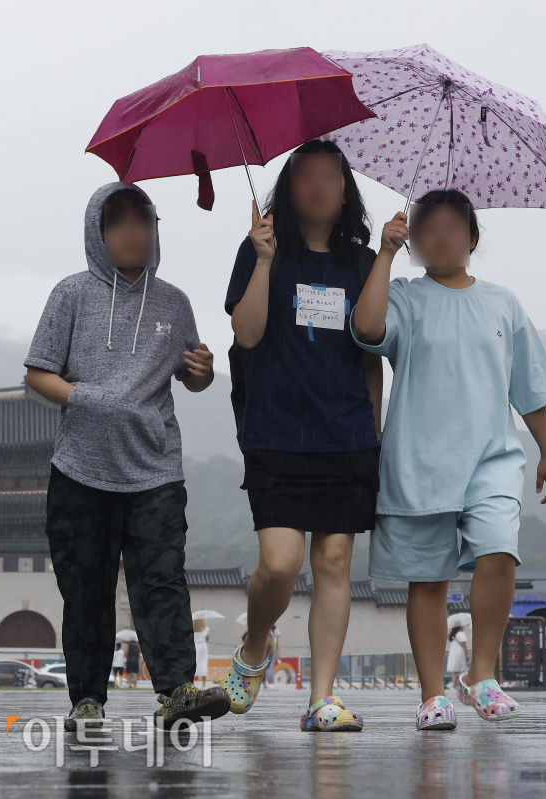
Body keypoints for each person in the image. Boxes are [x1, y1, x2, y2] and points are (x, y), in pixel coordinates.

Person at [352, 189, 546, 729]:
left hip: (491, 456)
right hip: (418, 458)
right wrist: (384, 254)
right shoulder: (403, 295)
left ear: (472, 239)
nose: (442, 235)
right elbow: (368, 330)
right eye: (428, 226)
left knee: (499, 552)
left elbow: (529, 385)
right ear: (415, 239)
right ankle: (432, 695)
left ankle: (480, 676)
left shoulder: (502, 302)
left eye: (454, 226)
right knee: (428, 579)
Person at [25, 182, 231, 732]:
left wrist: (204, 372)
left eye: (142, 219)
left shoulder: (175, 302)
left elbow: (193, 379)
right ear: (97, 231)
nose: (131, 231)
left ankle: (177, 691)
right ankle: (87, 700)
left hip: (155, 469)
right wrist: (86, 397)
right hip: (81, 470)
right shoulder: (69, 295)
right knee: (86, 588)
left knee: (162, 581)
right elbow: (37, 373)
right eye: (116, 221)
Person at [219, 139, 382, 732]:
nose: (318, 186)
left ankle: (321, 698)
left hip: (346, 433)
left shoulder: (362, 264)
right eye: (305, 175)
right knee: (281, 563)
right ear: (288, 187)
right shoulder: (263, 249)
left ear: (346, 190)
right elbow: (247, 334)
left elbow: (371, 355)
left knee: (335, 560)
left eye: (330, 176)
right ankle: (255, 645)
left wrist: (376, 432)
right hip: (276, 430)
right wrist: (263, 261)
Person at [446, 626, 469, 692]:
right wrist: (466, 654)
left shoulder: (453, 634)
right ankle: (462, 684)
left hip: (453, 653)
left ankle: (454, 684)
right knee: (462, 669)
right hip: (460, 653)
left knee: (455, 670)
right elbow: (464, 645)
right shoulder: (461, 634)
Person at [192, 619, 209, 686]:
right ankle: (204, 684)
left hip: (195, 645)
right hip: (203, 645)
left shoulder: (192, 629)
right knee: (204, 663)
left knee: (194, 662)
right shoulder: (205, 629)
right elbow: (208, 638)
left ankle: (192, 681)